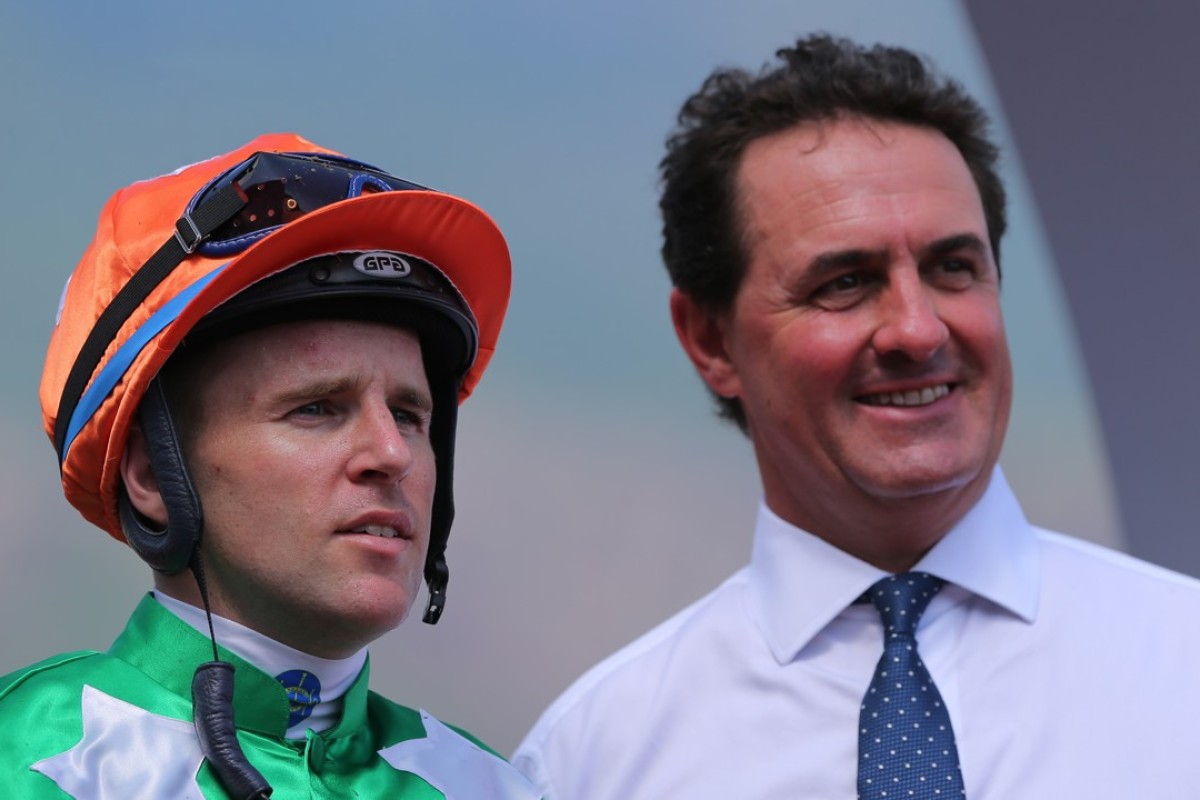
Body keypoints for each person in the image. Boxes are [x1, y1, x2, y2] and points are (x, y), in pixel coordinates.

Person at [513, 34, 1200, 799]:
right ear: (711, 339)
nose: (918, 329)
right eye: (845, 282)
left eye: (952, 268)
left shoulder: (1184, 666)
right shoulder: (594, 763)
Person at [0, 133, 539, 799]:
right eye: (316, 408)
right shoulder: (24, 760)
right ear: (150, 474)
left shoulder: (495, 788)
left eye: (407, 413)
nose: (392, 455)